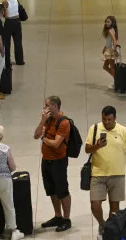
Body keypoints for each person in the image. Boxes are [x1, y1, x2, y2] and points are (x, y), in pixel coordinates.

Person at [85, 106, 126, 232]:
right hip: (97, 173)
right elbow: (87, 149)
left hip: (117, 174)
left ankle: (110, 230)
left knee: (114, 207)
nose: (106, 122)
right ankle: (102, 224)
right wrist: (97, 146)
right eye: (104, 119)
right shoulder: (94, 128)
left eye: (109, 119)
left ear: (115, 118)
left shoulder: (123, 131)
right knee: (95, 204)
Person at [33, 96, 73, 232]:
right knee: (51, 190)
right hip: (46, 160)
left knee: (62, 190)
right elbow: (36, 135)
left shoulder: (64, 122)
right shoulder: (47, 120)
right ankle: (58, 216)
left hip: (58, 161)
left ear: (55, 106)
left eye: (47, 106)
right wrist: (42, 121)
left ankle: (66, 219)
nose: (44, 108)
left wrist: (44, 138)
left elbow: (56, 144)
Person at [3, 0, 24, 66]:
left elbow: (6, 15)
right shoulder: (16, 0)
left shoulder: (5, 2)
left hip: (9, 22)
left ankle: (7, 61)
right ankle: (20, 60)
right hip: (17, 22)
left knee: (7, 43)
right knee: (18, 42)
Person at [101, 16, 120, 82]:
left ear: (112, 23)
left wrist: (114, 50)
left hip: (110, 50)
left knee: (112, 67)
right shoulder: (112, 29)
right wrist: (104, 48)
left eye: (108, 22)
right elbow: (109, 41)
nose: (106, 23)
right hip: (108, 49)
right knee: (105, 67)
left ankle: (117, 81)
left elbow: (114, 40)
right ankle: (117, 79)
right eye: (106, 22)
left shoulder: (110, 30)